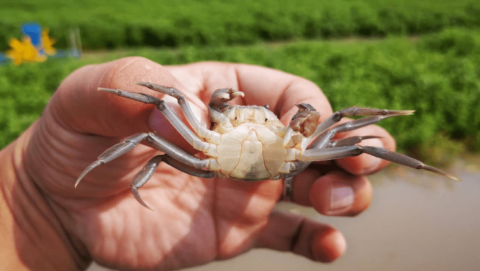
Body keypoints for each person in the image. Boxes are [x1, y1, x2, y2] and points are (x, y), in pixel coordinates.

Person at [0, 57, 395, 270]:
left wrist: (46, 216)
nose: (255, 119)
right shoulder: (208, 133)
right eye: (244, 113)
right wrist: (47, 209)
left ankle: (394, 120)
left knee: (353, 134)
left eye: (265, 117)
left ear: (282, 122)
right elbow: (161, 111)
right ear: (221, 112)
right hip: (213, 159)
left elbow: (327, 120)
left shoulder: (293, 139)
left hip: (287, 161)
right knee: (156, 122)